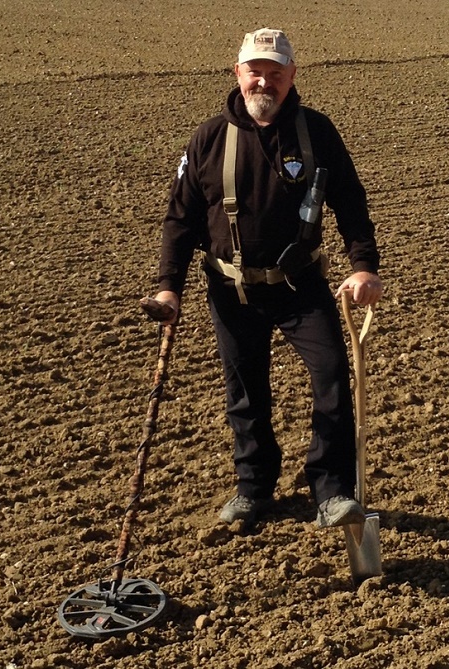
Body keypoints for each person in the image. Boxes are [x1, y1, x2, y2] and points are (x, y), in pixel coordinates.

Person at [154, 28, 382, 530]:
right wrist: (169, 285)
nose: (265, 81)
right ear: (238, 74)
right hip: (232, 291)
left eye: (275, 73)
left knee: (331, 380)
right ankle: (253, 490)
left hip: (302, 286)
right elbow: (180, 219)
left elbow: (351, 203)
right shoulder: (209, 138)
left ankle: (331, 491)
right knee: (246, 393)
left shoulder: (317, 133)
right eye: (255, 71)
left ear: (291, 76)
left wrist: (363, 266)